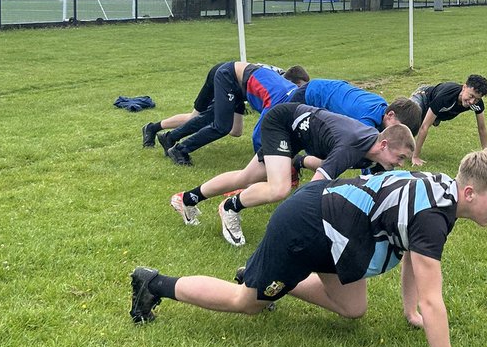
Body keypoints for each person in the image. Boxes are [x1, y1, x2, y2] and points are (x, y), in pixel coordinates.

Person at [131, 148, 487, 347]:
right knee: (245, 302)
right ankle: (154, 284)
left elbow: (412, 262)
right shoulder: (434, 217)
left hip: (335, 229)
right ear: (470, 193)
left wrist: (410, 312)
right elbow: (434, 298)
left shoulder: (444, 194)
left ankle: (266, 275)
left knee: (353, 308)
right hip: (306, 227)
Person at [170, 102, 416, 246]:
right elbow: (315, 189)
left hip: (298, 133)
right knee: (280, 188)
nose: (399, 164)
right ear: (383, 145)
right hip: (282, 123)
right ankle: (231, 207)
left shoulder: (373, 154)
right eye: (400, 157)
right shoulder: (353, 146)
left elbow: (333, 169)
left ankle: (187, 199)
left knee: (246, 176)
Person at [144, 61, 309, 166]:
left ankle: (169, 138)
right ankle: (180, 149)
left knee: (229, 128)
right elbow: (258, 137)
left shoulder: (293, 98)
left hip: (241, 86)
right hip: (229, 75)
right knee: (222, 126)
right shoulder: (280, 101)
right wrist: (268, 164)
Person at [289, 77, 422, 135]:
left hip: (326, 90)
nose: (398, 134)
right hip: (311, 94)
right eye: (398, 128)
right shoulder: (366, 121)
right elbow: (365, 150)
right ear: (390, 114)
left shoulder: (382, 108)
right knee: (288, 132)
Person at [409, 75, 487, 166]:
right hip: (423, 97)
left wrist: (486, 155)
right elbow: (425, 127)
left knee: (417, 125)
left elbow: (482, 128)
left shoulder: (476, 104)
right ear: (464, 87)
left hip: (438, 112)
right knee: (409, 120)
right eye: (471, 96)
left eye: (477, 99)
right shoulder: (446, 96)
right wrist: (415, 156)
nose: (472, 101)